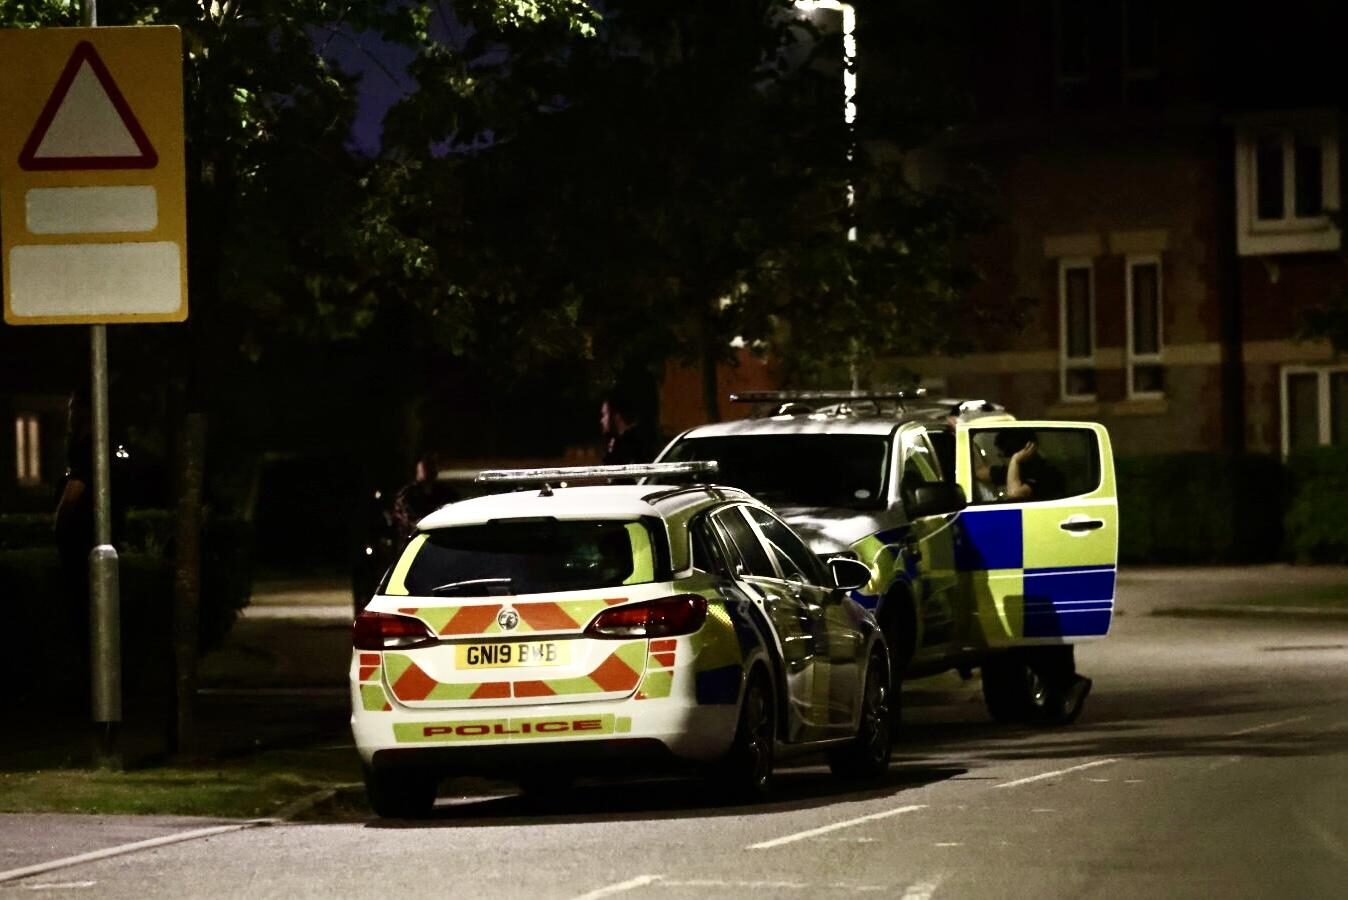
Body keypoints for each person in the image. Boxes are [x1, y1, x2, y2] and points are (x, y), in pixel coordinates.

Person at [391, 453, 457, 542]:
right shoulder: (406, 495)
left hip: (440, 542)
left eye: (431, 464)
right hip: (414, 543)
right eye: (426, 464)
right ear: (417, 467)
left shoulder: (446, 493)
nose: (429, 468)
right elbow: (408, 522)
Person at [994, 429, 1065, 501]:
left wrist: (1015, 460)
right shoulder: (1018, 470)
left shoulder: (1047, 473)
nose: (1001, 460)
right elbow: (986, 473)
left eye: (1001, 455)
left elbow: (1014, 494)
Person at [600, 389, 660, 465]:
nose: (602, 420)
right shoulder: (615, 441)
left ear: (616, 416)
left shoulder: (633, 443)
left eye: (604, 414)